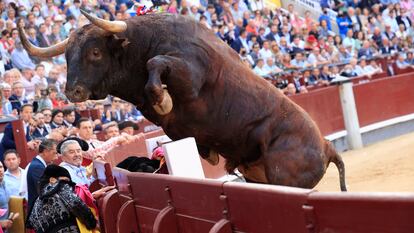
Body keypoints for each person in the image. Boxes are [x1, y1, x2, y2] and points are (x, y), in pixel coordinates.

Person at [26, 164, 97, 233]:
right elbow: (75, 204)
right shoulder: (60, 186)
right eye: (66, 180)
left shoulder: (36, 202)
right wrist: (91, 222)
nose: (68, 184)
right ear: (52, 180)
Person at [26, 139, 58, 215]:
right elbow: (45, 190)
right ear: (46, 151)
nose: (56, 157)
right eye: (54, 153)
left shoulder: (38, 165)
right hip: (39, 212)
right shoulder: (37, 167)